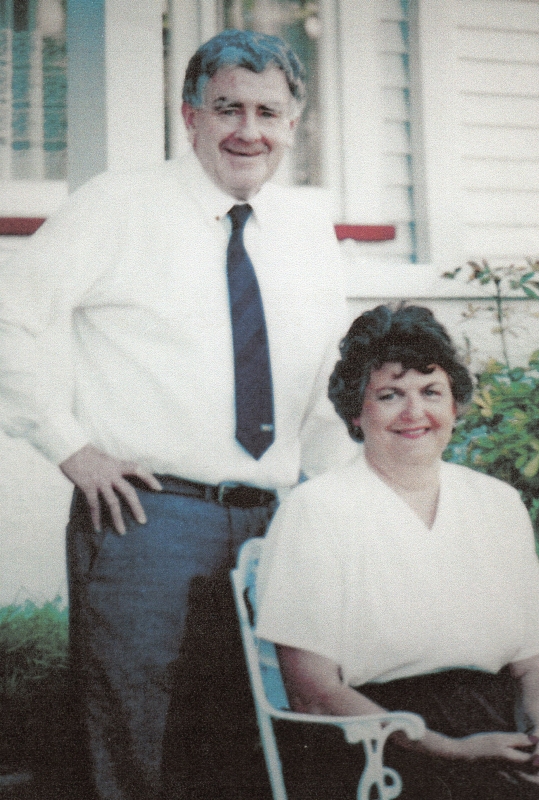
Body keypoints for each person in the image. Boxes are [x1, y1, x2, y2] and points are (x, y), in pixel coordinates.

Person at [0, 29, 355, 800]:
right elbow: (9, 316)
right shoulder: (117, 205)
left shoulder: (306, 228)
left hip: (278, 523)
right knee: (136, 747)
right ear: (189, 114)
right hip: (147, 521)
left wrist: (338, 502)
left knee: (258, 745)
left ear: (294, 123)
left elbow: (327, 383)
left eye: (268, 111)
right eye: (227, 107)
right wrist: (68, 445)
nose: (248, 130)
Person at [255, 304, 539, 800]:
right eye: (389, 396)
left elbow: (534, 667)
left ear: (455, 406)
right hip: (377, 744)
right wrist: (450, 750)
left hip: (496, 728)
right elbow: (314, 693)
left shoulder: (496, 503)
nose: (415, 413)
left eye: (431, 392)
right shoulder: (318, 509)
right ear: (355, 413)